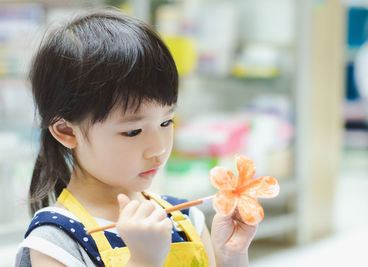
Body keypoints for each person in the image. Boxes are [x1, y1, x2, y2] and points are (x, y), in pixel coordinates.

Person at [13, 9, 257, 267]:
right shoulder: (55, 241)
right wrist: (142, 261)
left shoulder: (186, 220)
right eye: (132, 131)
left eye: (166, 122)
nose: (159, 148)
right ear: (67, 131)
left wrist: (231, 257)